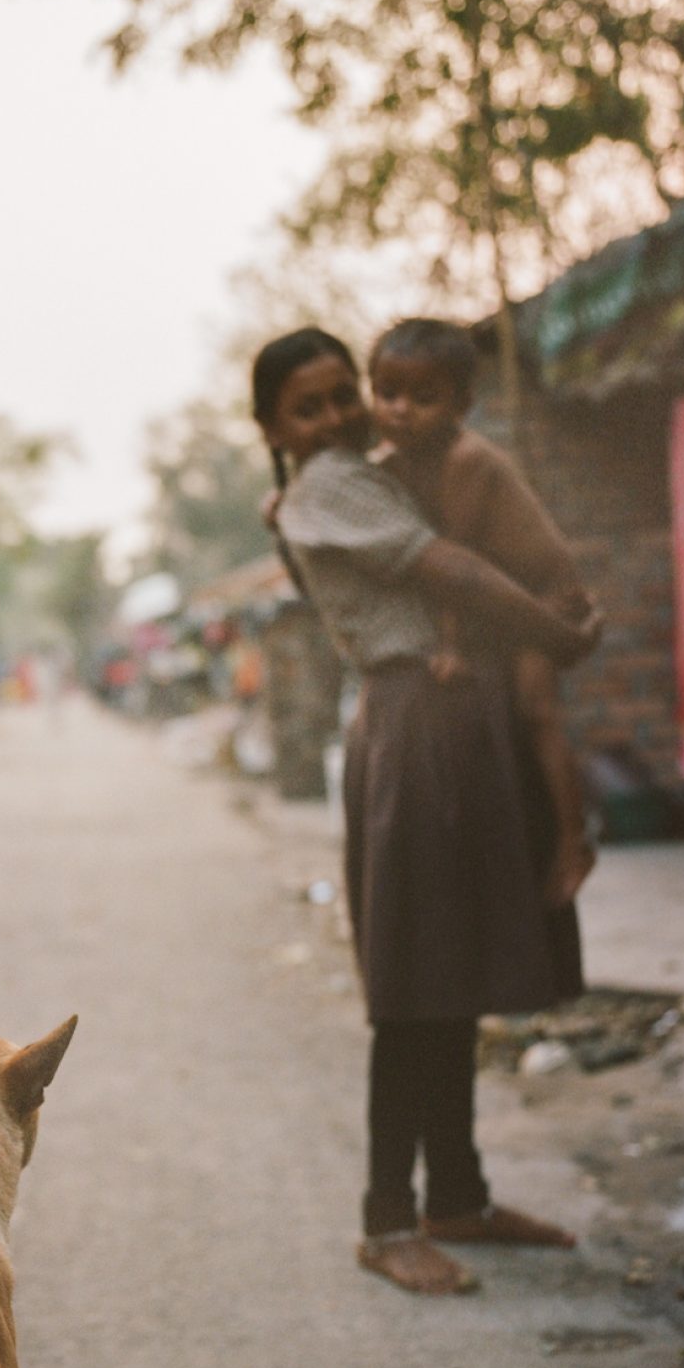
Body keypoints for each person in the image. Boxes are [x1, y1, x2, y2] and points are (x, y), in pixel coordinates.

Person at [256, 327, 599, 1297]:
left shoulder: (366, 474)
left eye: (339, 396)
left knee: (451, 976)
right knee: (414, 986)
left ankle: (457, 1192)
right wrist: (559, 634)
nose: (335, 417)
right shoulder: (328, 489)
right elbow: (450, 571)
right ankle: (386, 1216)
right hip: (416, 725)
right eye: (307, 406)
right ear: (273, 426)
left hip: (461, 720)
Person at [368, 318, 596, 914]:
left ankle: (575, 841)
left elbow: (459, 558)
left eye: (424, 397)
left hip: (544, 596)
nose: (401, 411)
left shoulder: (467, 459)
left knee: (536, 709)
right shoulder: (398, 459)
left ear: (463, 404)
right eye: (387, 394)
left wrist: (452, 646)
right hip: (502, 598)